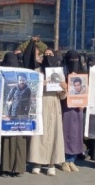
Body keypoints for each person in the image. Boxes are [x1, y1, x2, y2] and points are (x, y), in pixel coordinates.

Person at [26, 40, 66, 175]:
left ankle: (51, 163)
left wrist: (64, 88)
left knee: (53, 134)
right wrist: (40, 84)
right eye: (46, 54)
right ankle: (37, 162)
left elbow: (62, 97)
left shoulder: (59, 74)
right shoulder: (37, 71)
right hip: (40, 103)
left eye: (51, 54)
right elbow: (30, 89)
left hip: (54, 104)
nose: (48, 57)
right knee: (39, 135)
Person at [61, 50, 86, 172]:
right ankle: (64, 160)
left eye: (76, 60)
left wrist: (84, 103)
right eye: (71, 60)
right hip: (66, 107)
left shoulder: (83, 74)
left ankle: (72, 159)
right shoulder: (62, 73)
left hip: (78, 108)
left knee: (76, 134)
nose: (74, 62)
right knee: (66, 133)